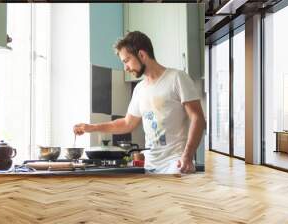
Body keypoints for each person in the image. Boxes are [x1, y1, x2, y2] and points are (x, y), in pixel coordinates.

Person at [73, 31, 205, 174]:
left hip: (176, 164)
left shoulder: (177, 78)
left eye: (127, 61)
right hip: (149, 166)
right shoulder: (140, 89)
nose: (126, 68)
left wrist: (187, 155)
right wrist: (91, 127)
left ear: (142, 55)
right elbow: (127, 123)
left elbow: (198, 118)